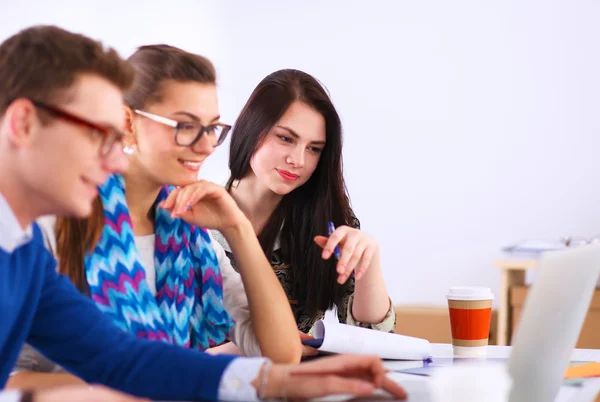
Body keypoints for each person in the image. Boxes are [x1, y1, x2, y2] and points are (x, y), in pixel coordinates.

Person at [0, 25, 407, 402]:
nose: (110, 158)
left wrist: (278, 381)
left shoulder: (24, 247)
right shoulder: (43, 233)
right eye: (96, 134)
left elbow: (123, 360)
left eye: (211, 128)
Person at [9, 44, 301, 390]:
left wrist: (237, 228)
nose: (206, 146)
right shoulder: (50, 223)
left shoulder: (191, 236)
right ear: (128, 122)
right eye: (186, 126)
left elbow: (283, 354)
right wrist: (124, 386)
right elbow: (11, 376)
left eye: (212, 128)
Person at [214, 69, 395, 338]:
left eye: (314, 148)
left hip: (298, 378)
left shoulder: (327, 221)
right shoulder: (196, 221)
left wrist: (369, 260)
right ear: (251, 129)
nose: (298, 160)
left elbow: (376, 338)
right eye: (286, 138)